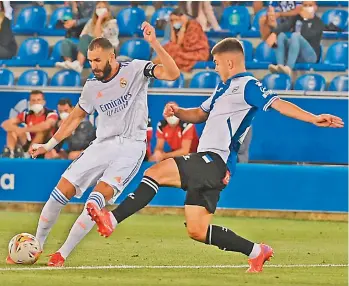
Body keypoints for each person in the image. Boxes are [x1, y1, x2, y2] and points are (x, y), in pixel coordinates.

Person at [86, 38, 344, 273]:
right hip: (210, 164)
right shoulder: (222, 88)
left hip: (216, 161)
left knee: (155, 172)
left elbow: (277, 103)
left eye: (217, 63)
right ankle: (257, 251)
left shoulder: (247, 85)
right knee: (197, 230)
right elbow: (200, 113)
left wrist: (313, 118)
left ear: (230, 62)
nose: (215, 67)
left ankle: (112, 217)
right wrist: (178, 111)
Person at [22, 22, 180, 267]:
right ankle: (37, 246)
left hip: (131, 146)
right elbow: (75, 117)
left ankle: (61, 254)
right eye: (90, 61)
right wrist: (49, 144)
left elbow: (173, 74)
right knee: (60, 191)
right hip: (102, 144)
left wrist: (155, 44)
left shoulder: (136, 69)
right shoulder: (92, 86)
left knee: (96, 199)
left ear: (112, 56)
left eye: (97, 60)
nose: (93, 66)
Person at [56, 1, 119, 73]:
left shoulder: (112, 23)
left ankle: (79, 65)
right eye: (98, 7)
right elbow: (82, 36)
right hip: (91, 49)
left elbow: (98, 39)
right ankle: (69, 64)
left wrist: (100, 19)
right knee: (66, 42)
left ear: (107, 10)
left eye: (103, 7)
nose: (101, 9)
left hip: (106, 50)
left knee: (87, 38)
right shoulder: (91, 22)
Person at [267, 1, 325, 76]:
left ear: (315, 7)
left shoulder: (319, 22)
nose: (307, 8)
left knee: (295, 36)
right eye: (305, 5)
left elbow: (307, 36)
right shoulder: (297, 17)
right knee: (281, 35)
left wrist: (306, 20)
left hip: (311, 56)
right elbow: (286, 25)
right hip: (296, 54)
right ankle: (280, 66)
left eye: (310, 5)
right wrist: (274, 33)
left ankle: (288, 68)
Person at [1, 90, 58, 158]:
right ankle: (11, 153)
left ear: (43, 102)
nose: (36, 103)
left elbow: (46, 125)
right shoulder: (27, 114)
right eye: (33, 100)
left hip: (45, 143)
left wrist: (24, 129)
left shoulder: (51, 114)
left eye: (38, 100)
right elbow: (5, 124)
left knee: (42, 131)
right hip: (28, 141)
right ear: (30, 102)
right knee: (11, 130)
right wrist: (18, 129)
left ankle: (29, 154)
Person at [153, 8, 209, 72]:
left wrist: (184, 26)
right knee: (169, 46)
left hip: (197, 52)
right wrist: (172, 27)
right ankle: (157, 65)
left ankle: (158, 66)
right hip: (184, 50)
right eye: (172, 20)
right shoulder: (176, 26)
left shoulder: (194, 25)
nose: (174, 22)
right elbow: (174, 42)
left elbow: (187, 45)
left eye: (177, 19)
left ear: (183, 18)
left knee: (173, 52)